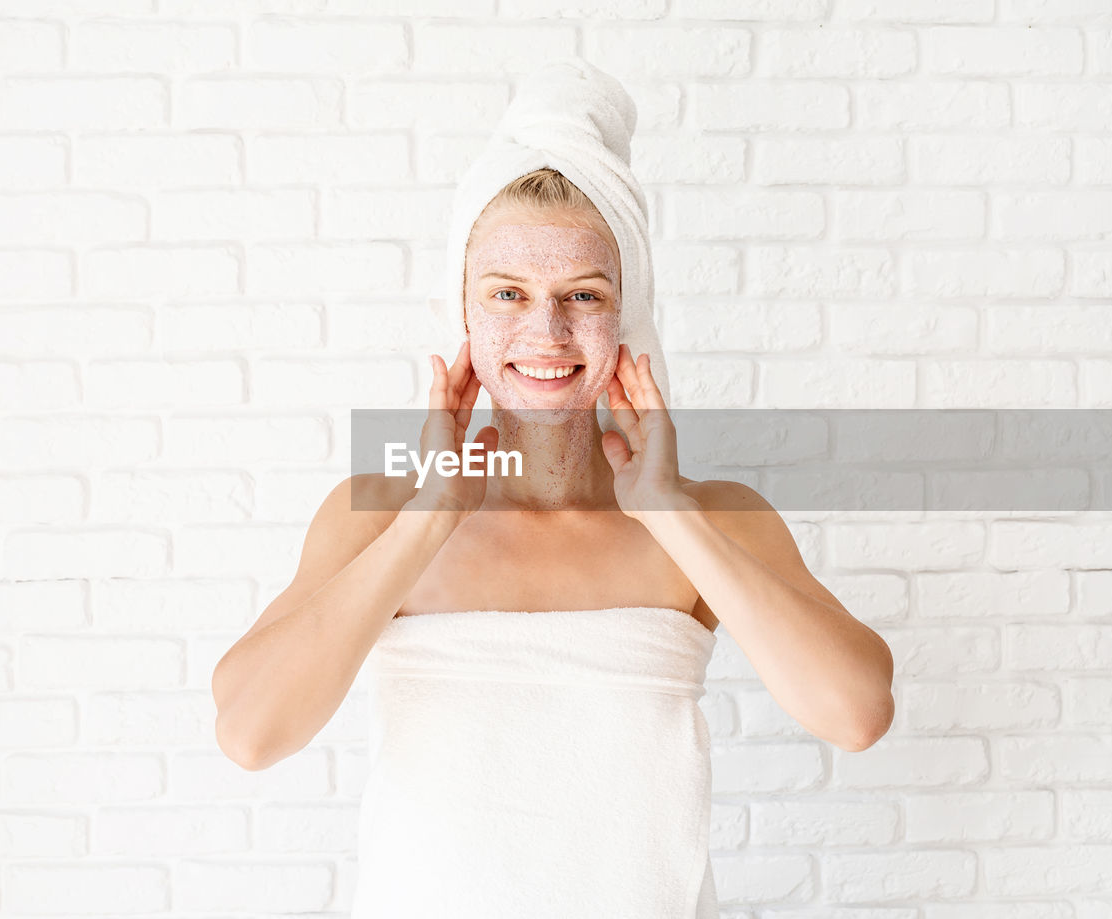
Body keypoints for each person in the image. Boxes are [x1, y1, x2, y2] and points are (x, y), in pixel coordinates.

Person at [211, 60, 894, 919]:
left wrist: (666, 512)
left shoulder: (709, 517)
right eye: (508, 293)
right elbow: (248, 731)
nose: (547, 329)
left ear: (627, 314)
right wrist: (433, 515)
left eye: (583, 293)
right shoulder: (381, 511)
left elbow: (857, 712)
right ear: (461, 311)